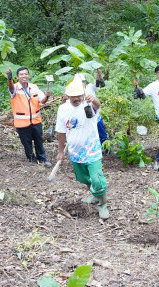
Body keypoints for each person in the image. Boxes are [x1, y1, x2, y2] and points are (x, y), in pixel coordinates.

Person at [56, 75, 109, 219]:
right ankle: (95, 195)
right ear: (67, 95)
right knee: (84, 178)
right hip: (75, 152)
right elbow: (61, 132)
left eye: (79, 95)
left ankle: (102, 205)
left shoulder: (88, 104)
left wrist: (95, 100)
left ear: (83, 93)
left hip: (92, 150)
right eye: (73, 96)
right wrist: (60, 151)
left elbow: (98, 106)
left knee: (97, 179)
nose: (76, 99)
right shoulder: (63, 109)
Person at [6, 67, 51, 167]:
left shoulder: (34, 87)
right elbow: (11, 88)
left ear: (28, 75)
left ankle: (42, 159)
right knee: (27, 143)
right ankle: (31, 160)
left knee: (39, 141)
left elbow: (42, 101)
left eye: (26, 74)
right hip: (22, 123)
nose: (24, 76)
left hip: (36, 121)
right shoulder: (15, 88)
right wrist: (9, 78)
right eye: (21, 74)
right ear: (17, 77)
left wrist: (47, 96)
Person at [77, 72, 108, 149]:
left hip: (97, 117)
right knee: (91, 137)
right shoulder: (76, 94)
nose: (82, 84)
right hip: (86, 120)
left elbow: (97, 84)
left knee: (102, 135)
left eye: (83, 82)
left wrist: (98, 74)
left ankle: (107, 150)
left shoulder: (90, 87)